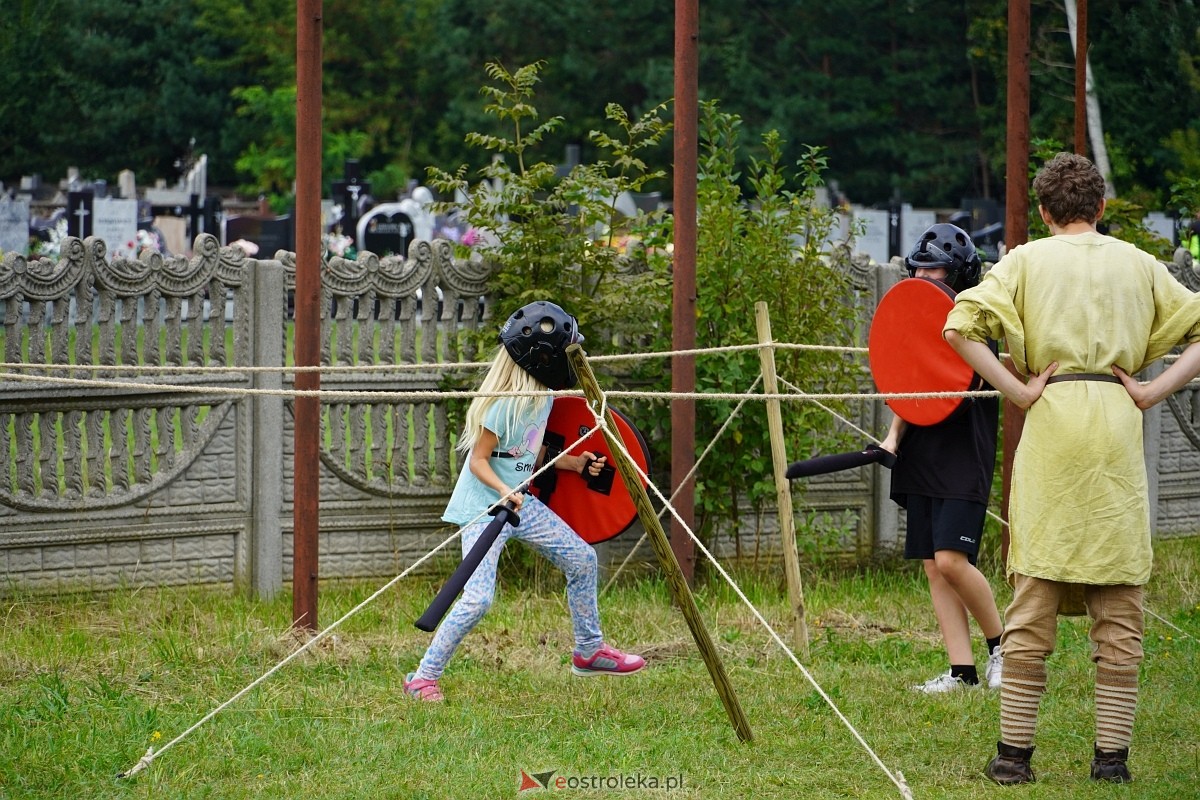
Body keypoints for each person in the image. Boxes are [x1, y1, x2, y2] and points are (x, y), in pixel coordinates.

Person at [943, 152, 1200, 785]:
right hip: (1115, 422)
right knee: (1120, 602)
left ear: (1044, 211)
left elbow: (958, 326)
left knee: (1035, 591)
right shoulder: (1139, 264)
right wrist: (1150, 391)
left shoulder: (1025, 260)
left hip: (1053, 421)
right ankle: (1110, 761)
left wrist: (1017, 389)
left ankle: (1013, 759)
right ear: (1101, 208)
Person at [403, 300, 645, 702]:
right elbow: (478, 461)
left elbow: (527, 457)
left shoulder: (543, 398)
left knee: (582, 560)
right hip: (485, 508)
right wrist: (503, 492)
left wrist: (574, 463)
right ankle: (422, 678)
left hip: (519, 506)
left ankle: (589, 651)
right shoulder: (503, 405)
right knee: (478, 599)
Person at [878, 223, 1006, 694]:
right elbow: (909, 393)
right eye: (921, 271)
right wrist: (892, 438)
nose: (927, 279)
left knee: (953, 560)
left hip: (961, 455)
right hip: (922, 452)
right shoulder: (915, 329)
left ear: (959, 276)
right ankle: (962, 672)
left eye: (937, 272)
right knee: (933, 564)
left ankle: (1002, 648)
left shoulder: (974, 329)